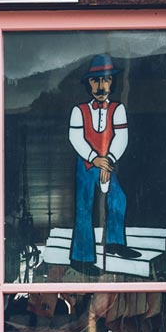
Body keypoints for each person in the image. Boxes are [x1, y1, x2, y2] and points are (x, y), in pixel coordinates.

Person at [67, 53, 139, 273]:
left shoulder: (118, 109)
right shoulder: (78, 111)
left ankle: (116, 242)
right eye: (96, 80)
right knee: (84, 205)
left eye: (106, 80)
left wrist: (108, 161)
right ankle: (82, 257)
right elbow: (76, 138)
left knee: (118, 198)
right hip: (87, 164)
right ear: (89, 83)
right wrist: (94, 159)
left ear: (111, 83)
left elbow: (121, 138)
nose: (101, 86)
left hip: (107, 161)